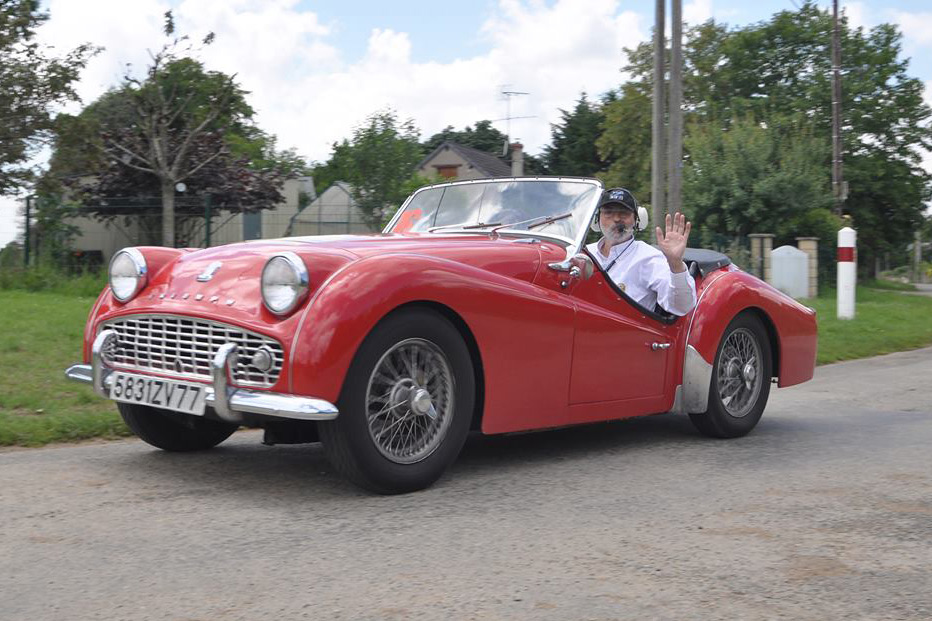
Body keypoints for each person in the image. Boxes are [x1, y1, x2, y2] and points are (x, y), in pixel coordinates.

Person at [586, 187, 697, 316]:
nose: (616, 219)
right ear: (597, 218)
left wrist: (675, 264)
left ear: (637, 220)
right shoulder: (584, 254)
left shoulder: (649, 258)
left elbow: (682, 307)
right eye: (608, 212)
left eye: (624, 213)